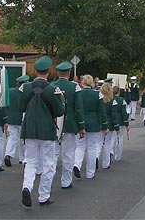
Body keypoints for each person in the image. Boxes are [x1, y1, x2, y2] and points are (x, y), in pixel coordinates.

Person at [18, 56, 65, 207]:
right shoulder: (52, 89)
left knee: (31, 162)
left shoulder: (25, 87)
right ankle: (43, 196)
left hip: (29, 130)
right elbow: (59, 111)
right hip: (46, 131)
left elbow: (20, 107)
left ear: (35, 71)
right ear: (49, 71)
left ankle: (27, 187)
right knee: (48, 164)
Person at [52, 61, 85, 189]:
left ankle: (48, 179)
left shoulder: (52, 86)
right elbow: (79, 109)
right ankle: (66, 181)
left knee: (53, 153)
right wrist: (81, 126)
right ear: (69, 73)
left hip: (54, 124)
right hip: (69, 124)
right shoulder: (75, 87)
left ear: (57, 73)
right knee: (68, 154)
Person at [73, 74, 108, 180]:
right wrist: (105, 125)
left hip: (80, 122)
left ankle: (77, 165)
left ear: (82, 82)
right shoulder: (97, 95)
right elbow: (102, 112)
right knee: (92, 148)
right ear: (92, 83)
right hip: (94, 123)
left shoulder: (78, 94)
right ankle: (90, 173)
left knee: (80, 146)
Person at [5, 75, 30, 167]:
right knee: (24, 139)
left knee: (12, 138)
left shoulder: (10, 92)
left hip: (11, 118)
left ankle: (8, 154)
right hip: (23, 118)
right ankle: (22, 158)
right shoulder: (27, 93)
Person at [99, 82, 118, 170]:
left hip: (100, 123)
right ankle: (105, 163)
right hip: (109, 124)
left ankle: (96, 157)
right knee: (107, 144)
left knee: (98, 143)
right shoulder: (112, 100)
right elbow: (114, 115)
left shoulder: (99, 99)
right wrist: (116, 126)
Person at [112, 85, 129, 162]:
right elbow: (124, 113)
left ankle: (110, 152)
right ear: (118, 92)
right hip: (120, 121)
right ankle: (118, 156)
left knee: (111, 138)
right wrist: (126, 124)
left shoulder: (109, 99)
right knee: (120, 138)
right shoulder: (122, 100)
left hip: (112, 121)